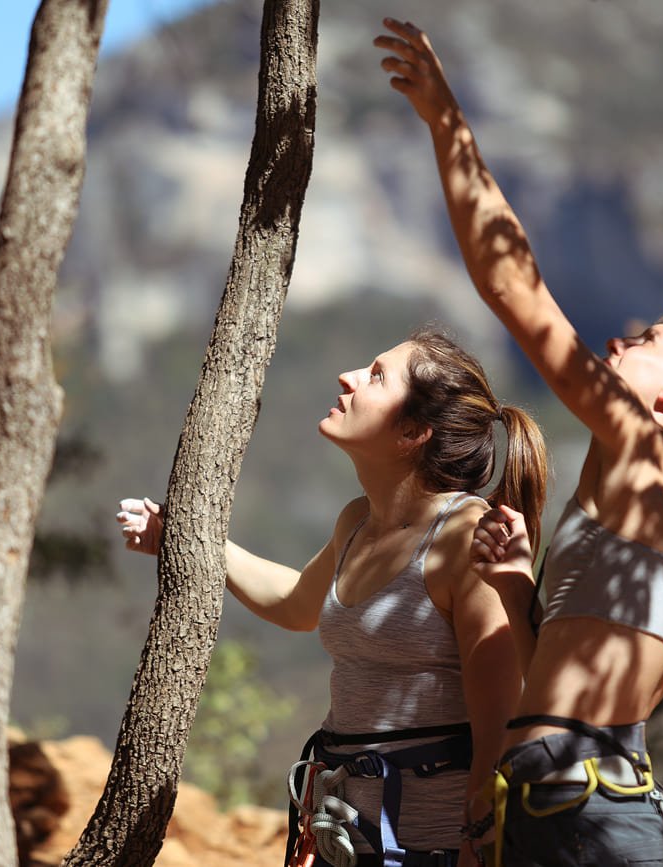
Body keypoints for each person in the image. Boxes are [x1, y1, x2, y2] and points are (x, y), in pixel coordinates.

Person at [375, 18, 663, 867]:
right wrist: (515, 581)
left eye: (648, 339)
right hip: (561, 805)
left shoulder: (656, 467)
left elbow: (516, 290)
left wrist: (447, 124)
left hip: (588, 818)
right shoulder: (633, 495)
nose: (621, 337)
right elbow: (556, 688)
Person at [117, 325, 549, 867]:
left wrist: (476, 851)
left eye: (375, 377)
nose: (347, 378)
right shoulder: (358, 522)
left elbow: (499, 727)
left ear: (413, 430)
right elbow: (297, 601)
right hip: (344, 840)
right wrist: (180, 535)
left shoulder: (467, 539)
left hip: (431, 850)